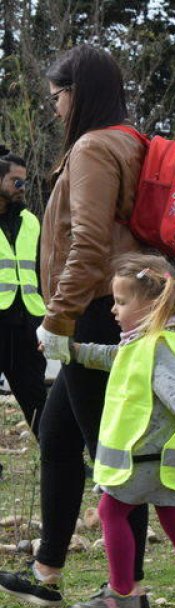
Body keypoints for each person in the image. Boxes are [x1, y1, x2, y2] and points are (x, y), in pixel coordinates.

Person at [0, 45, 154, 608]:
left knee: (109, 453)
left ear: (78, 93)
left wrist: (56, 317)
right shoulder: (133, 142)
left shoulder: (92, 148)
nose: (57, 109)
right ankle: (47, 573)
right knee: (60, 438)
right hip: (116, 307)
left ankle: (127, 588)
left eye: (58, 97)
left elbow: (88, 243)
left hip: (91, 313)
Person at [60, 254, 175, 608]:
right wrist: (73, 352)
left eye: (120, 301)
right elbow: (111, 356)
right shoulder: (142, 344)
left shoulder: (157, 349)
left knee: (109, 511)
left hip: (145, 458)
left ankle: (122, 593)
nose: (113, 310)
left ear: (151, 304)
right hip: (158, 460)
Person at [0, 148, 47, 482]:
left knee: (36, 397)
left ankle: (59, 458)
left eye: (24, 181)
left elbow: (43, 270)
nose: (22, 186)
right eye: (15, 179)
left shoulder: (31, 220)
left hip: (27, 322)